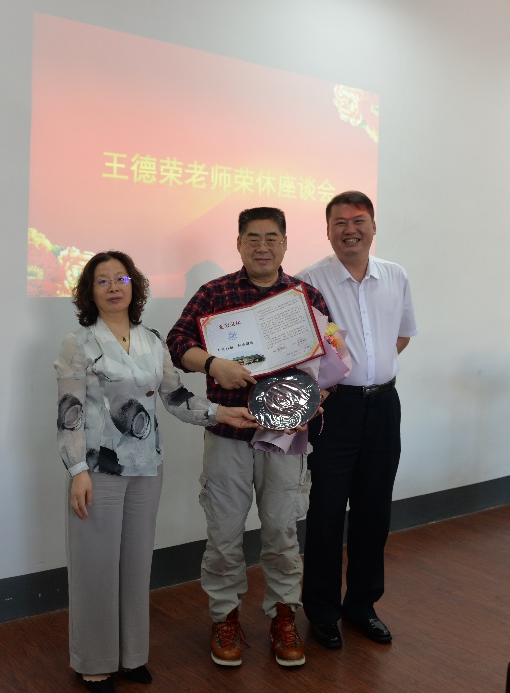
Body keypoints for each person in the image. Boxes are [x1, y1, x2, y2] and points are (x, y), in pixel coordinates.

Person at [55, 250, 257, 693]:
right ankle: (95, 662)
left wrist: (223, 413)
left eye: (121, 279)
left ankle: (131, 658)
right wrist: (77, 470)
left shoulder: (151, 339)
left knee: (135, 564)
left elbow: (175, 397)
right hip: (97, 470)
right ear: (90, 291)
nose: (113, 287)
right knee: (95, 567)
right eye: (102, 280)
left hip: (147, 467)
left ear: (135, 286)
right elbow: (70, 413)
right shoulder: (79, 343)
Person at [166, 207, 330, 669]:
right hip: (227, 434)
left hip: (285, 438)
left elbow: (331, 357)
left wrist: (314, 401)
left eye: (271, 238)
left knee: (281, 531)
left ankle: (284, 615)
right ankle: (224, 617)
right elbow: (177, 344)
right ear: (238, 243)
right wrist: (212, 363)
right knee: (224, 534)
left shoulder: (304, 296)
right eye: (252, 238)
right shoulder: (214, 293)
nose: (262, 246)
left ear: (285, 243)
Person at [297, 191, 418, 649]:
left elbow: (402, 336)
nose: (350, 230)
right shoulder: (309, 281)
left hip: (384, 406)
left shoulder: (395, 275)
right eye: (340, 222)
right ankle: (323, 611)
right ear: (328, 230)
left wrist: (372, 368)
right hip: (335, 410)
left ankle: (362, 606)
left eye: (359, 220)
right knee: (326, 512)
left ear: (373, 226)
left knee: (374, 510)